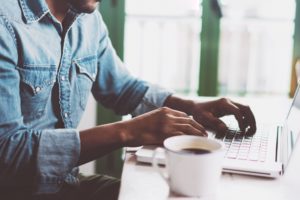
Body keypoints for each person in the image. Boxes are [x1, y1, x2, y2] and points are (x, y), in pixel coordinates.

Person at [0, 0, 256, 199]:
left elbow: (123, 89)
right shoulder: (5, 24)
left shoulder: (89, 22)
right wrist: (128, 132)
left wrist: (191, 108)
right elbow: (7, 153)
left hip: (65, 186)